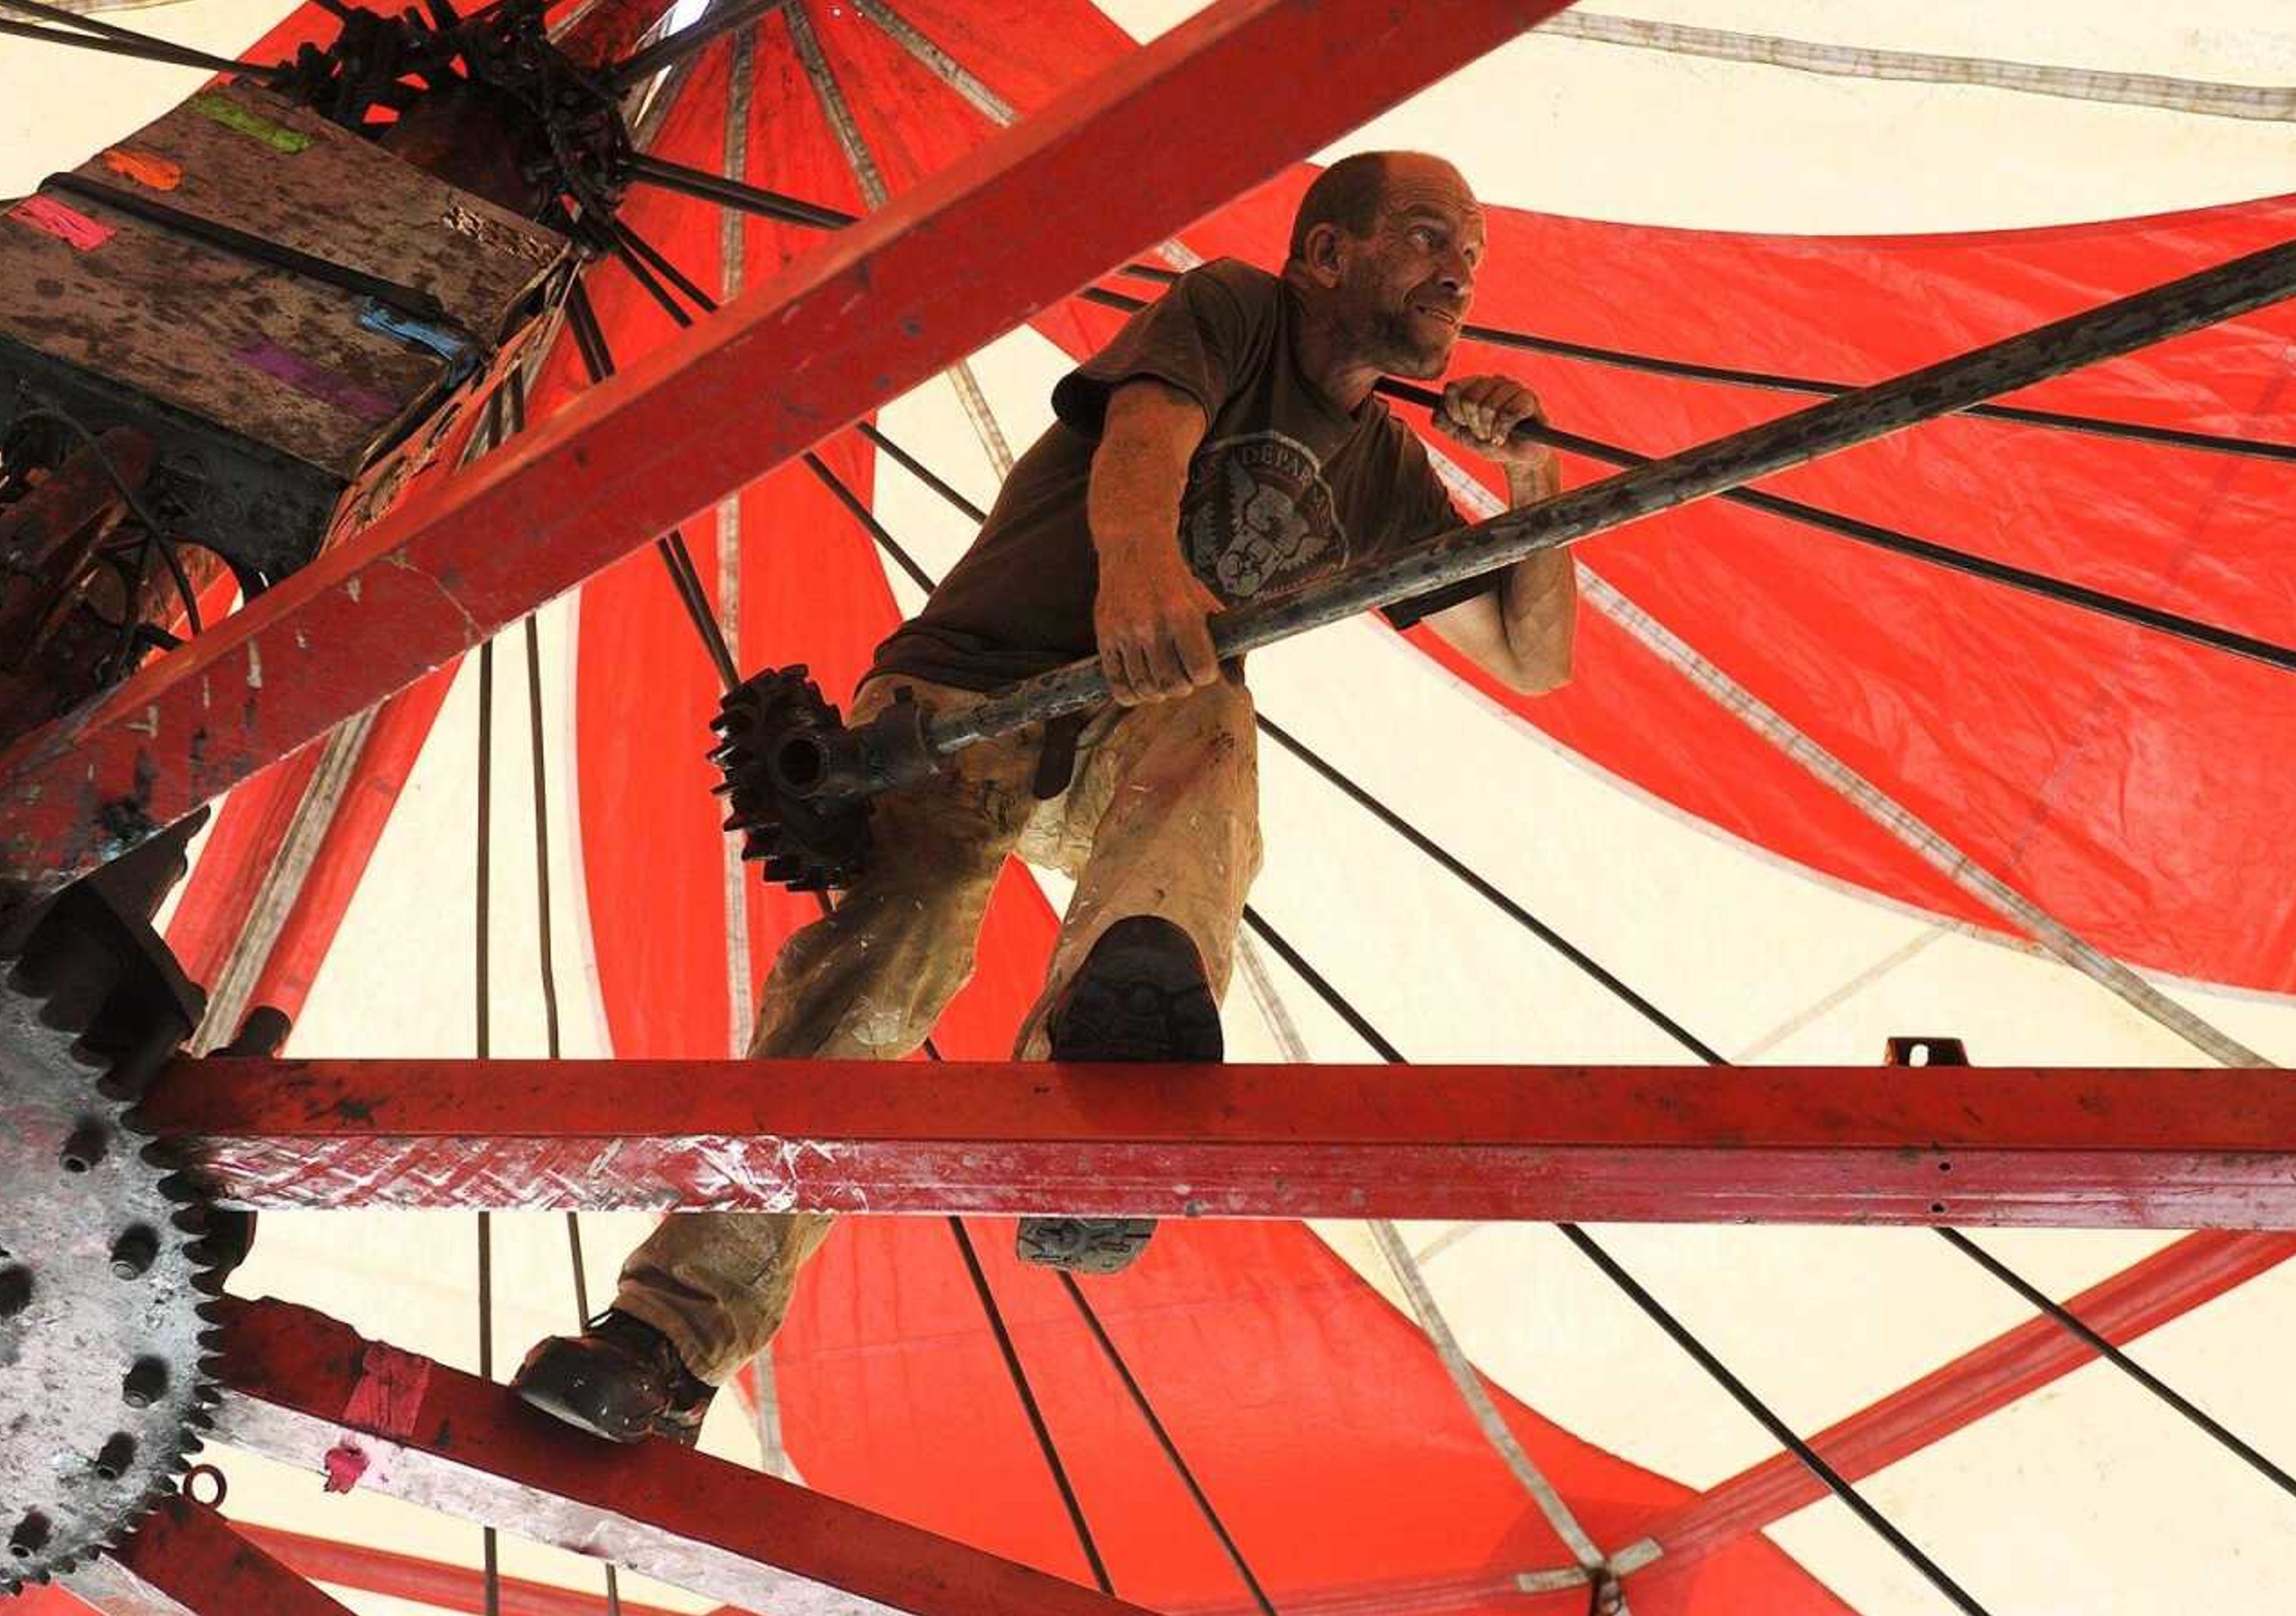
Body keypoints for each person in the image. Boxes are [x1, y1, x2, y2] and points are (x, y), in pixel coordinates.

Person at [514, 151, 1577, 1445]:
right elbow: (1146, 434)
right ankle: (670, 1338)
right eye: (1423, 237)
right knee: (887, 957)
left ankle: (1103, 1087)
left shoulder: (1384, 471)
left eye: (1468, 253)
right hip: (966, 701)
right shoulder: (1238, 310)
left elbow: (1531, 653)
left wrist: (1533, 478)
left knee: (1206, 722)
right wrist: (1140, 570)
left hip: (1143, 713)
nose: (1456, 270)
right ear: (1324, 256)